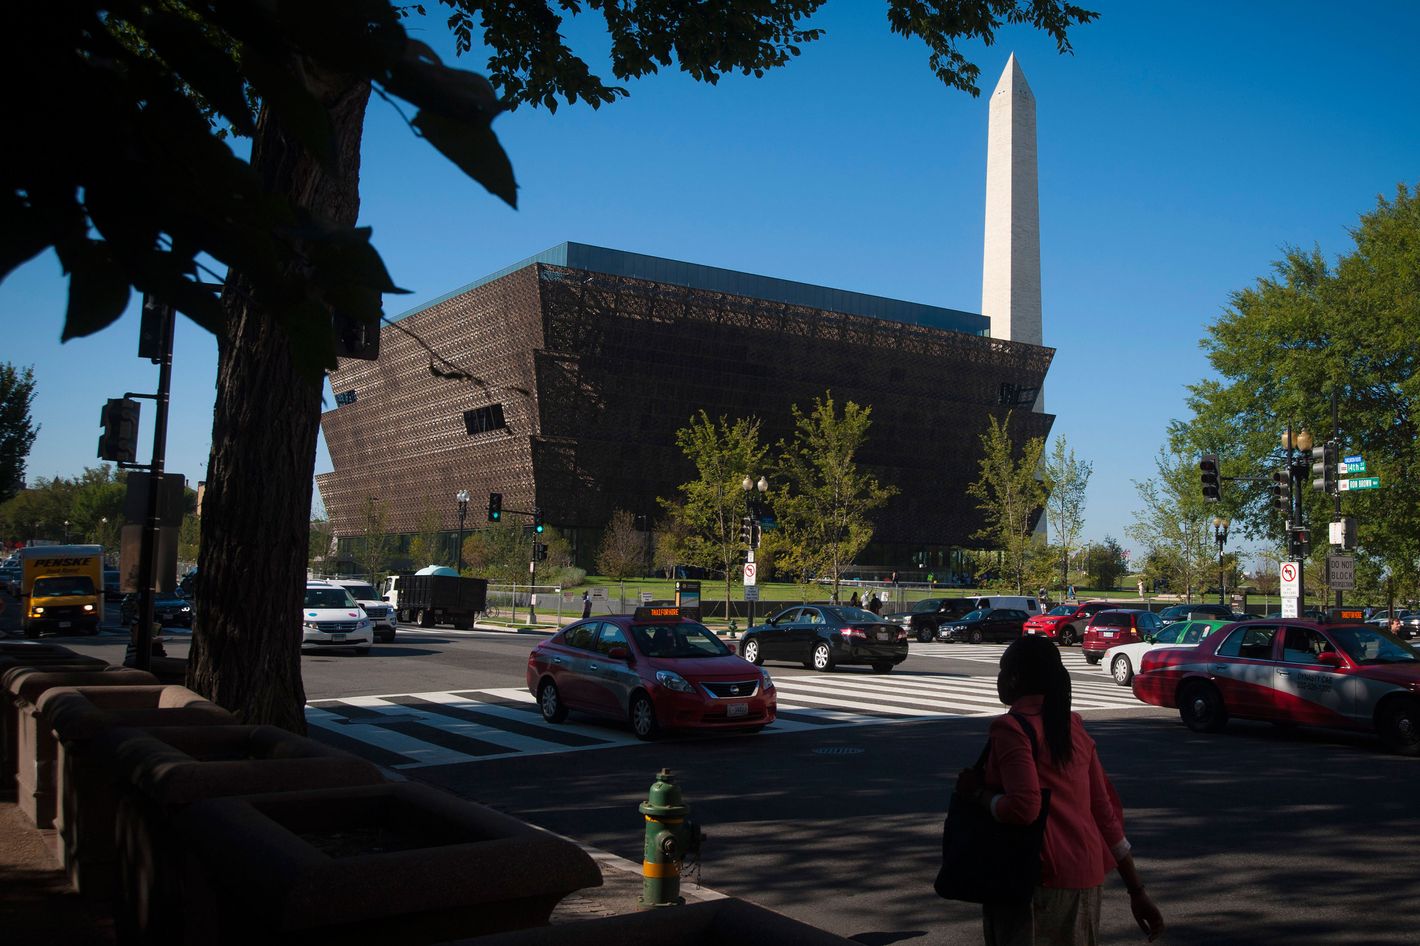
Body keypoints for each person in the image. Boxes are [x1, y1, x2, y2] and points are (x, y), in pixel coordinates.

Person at [955, 635, 1165, 945]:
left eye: (1003, 670)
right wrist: (1136, 890)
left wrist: (979, 796)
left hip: (1036, 881)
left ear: (1015, 678)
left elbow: (1024, 808)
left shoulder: (1011, 728)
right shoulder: (1072, 727)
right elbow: (1104, 813)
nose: (999, 679)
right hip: (1087, 878)